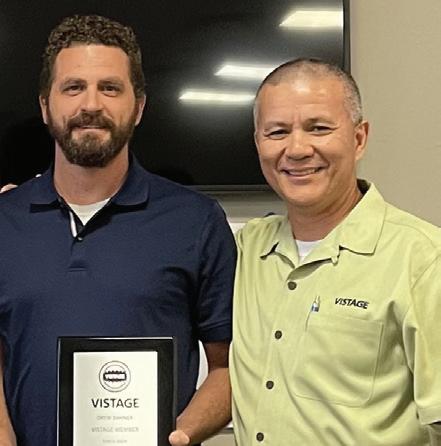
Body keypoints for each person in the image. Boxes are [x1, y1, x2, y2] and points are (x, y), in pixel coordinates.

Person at [0, 15, 236, 446]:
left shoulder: (197, 221)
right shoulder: (5, 220)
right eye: (73, 87)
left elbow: (229, 367)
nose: (91, 104)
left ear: (139, 107)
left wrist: (179, 436)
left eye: (110, 88)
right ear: (46, 106)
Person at [230, 58, 441, 445]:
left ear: (359, 139)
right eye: (277, 132)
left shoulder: (424, 260)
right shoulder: (248, 249)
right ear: (258, 143)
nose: (297, 149)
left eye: (319, 128)